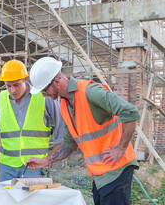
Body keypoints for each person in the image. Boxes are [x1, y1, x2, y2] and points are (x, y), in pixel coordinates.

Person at [26, 57, 140, 205]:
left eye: (44, 90)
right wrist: (46, 161)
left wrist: (121, 148)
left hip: (117, 169)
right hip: (99, 174)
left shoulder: (90, 92)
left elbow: (130, 112)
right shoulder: (64, 105)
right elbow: (69, 144)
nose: (44, 95)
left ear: (56, 81)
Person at [0, 59, 64, 182]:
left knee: (32, 201)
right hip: (6, 166)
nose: (12, 90)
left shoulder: (44, 96)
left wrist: (50, 158)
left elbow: (62, 129)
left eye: (16, 85)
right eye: (8, 86)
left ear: (25, 80)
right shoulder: (0, 99)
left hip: (34, 167)